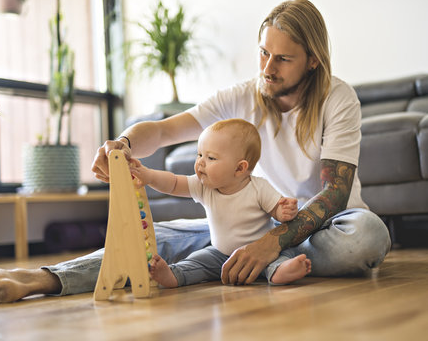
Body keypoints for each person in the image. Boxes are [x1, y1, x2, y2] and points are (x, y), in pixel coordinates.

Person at [0, 0, 391, 303]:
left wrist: (271, 241)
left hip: (321, 227)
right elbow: (164, 130)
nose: (267, 68)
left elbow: (335, 194)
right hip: (243, 228)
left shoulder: (339, 99)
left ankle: (262, 261)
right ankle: (39, 280)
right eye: (263, 52)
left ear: (313, 61)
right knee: (156, 239)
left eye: (282, 59)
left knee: (367, 236)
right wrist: (123, 143)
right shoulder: (241, 96)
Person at [131, 118, 311, 287]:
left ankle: (282, 271)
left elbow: (277, 211)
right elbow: (173, 183)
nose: (200, 162)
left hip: (260, 254)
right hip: (219, 254)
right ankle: (172, 275)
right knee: (196, 260)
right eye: (199, 154)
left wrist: (285, 211)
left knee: (279, 258)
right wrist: (149, 176)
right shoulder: (203, 186)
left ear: (240, 168)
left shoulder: (259, 187)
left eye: (211, 158)